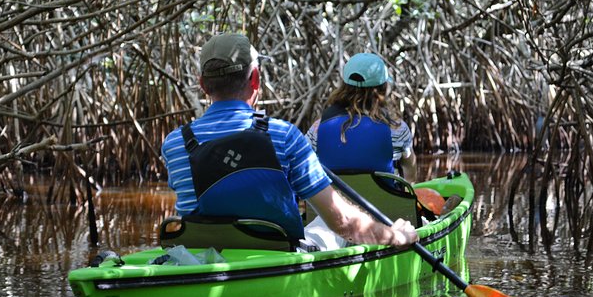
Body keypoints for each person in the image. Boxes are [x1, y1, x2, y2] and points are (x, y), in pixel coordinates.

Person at [160, 33, 417, 250]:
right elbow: (344, 222)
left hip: (203, 258)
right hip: (280, 255)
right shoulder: (284, 136)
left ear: (203, 85)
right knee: (321, 224)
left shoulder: (175, 144)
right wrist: (395, 235)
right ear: (255, 79)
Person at [305, 52, 417, 181]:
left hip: (330, 200)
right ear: (383, 88)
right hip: (381, 201)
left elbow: (301, 165)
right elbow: (410, 174)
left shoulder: (318, 128)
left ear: (344, 86)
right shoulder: (397, 128)